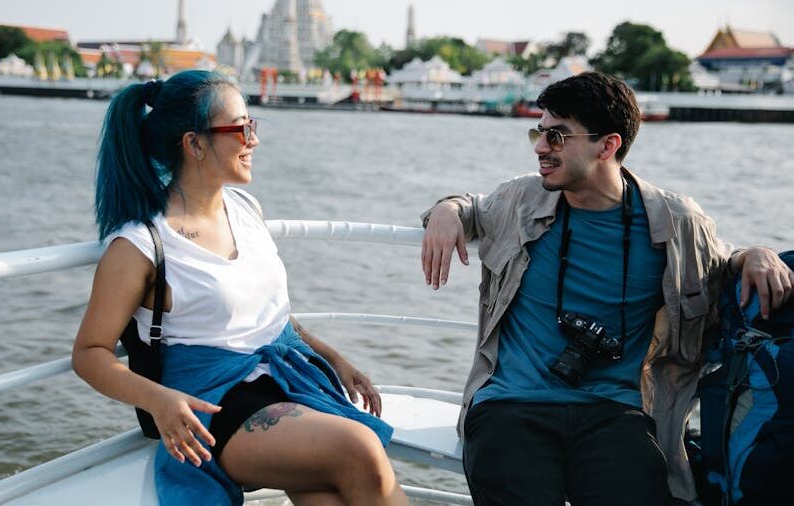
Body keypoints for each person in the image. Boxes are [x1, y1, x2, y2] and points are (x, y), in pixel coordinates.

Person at [420, 71, 794, 506]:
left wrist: (757, 254)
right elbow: (469, 207)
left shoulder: (674, 222)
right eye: (538, 133)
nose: (541, 147)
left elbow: (722, 263)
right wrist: (446, 209)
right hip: (512, 405)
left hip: (618, 413)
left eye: (557, 136)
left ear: (608, 145)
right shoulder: (520, 200)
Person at [72, 70, 407, 506]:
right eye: (241, 128)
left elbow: (266, 315)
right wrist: (159, 401)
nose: (254, 140)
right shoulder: (141, 246)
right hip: (210, 406)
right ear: (193, 144)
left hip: (284, 382)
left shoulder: (245, 209)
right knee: (358, 449)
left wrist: (334, 358)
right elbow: (89, 353)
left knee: (325, 498)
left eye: (254, 125)